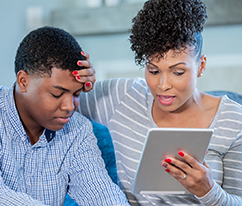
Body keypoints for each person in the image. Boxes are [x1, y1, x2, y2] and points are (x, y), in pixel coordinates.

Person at [73, 0, 242, 205]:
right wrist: (77, 80)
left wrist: (209, 192)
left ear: (201, 66)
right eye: (153, 71)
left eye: (178, 72)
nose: (162, 85)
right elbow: (53, 102)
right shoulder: (123, 97)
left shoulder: (232, 120)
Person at [0, 26, 130, 206]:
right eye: (57, 94)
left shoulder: (77, 130)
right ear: (24, 81)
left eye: (76, 94)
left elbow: (101, 193)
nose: (70, 106)